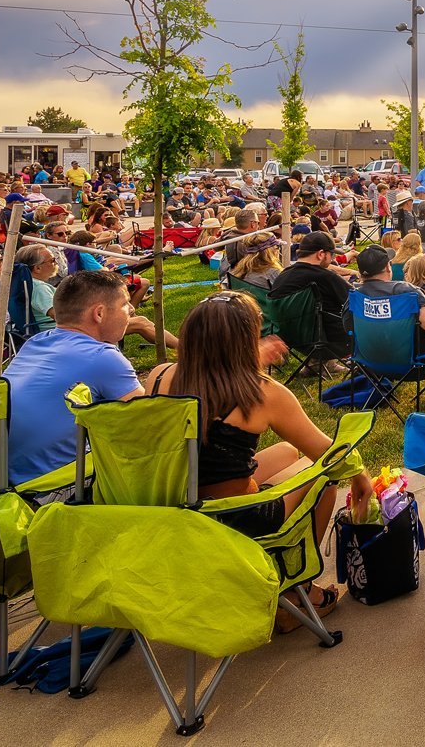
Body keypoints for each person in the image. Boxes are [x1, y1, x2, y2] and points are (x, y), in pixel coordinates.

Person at [144, 291, 373, 624]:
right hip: (234, 516)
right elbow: (330, 454)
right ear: (243, 341)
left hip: (177, 503)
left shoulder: (160, 375)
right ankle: (296, 592)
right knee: (322, 477)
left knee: (286, 452)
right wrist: (362, 480)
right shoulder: (262, 392)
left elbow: (208, 393)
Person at [3, 271, 144, 483]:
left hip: (2, 477)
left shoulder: (35, 342)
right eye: (125, 304)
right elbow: (147, 425)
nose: (132, 310)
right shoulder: (103, 357)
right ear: (99, 313)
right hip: (54, 484)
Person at [269, 230, 357, 362]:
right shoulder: (325, 277)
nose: (333, 259)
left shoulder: (283, 276)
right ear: (321, 254)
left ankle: (318, 364)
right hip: (328, 342)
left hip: (289, 338)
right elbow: (356, 301)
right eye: (331, 255)